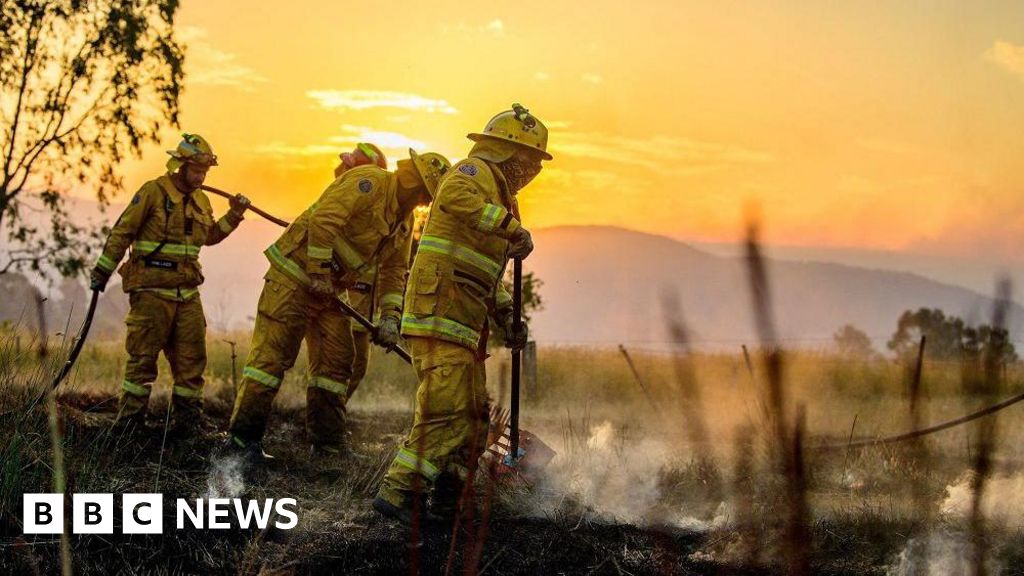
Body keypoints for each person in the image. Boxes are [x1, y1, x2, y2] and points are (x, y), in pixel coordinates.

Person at [373, 104, 551, 524]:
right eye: (529, 160)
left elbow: (487, 273)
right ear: (507, 150)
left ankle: (448, 501)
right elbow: (453, 196)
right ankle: (398, 494)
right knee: (447, 411)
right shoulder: (474, 173)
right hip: (439, 312)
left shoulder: (505, 199)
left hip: (463, 322)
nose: (532, 170)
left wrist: (508, 316)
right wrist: (510, 227)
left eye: (537, 164)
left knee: (473, 421)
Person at [226, 149, 450, 462]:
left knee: (337, 362)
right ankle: (241, 441)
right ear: (413, 180)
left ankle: (327, 447)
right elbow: (324, 220)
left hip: (331, 291)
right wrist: (318, 272)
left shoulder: (404, 221)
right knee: (272, 359)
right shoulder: (368, 182)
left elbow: (394, 271)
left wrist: (390, 318)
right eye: (425, 193)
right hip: (294, 276)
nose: (425, 201)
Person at [89, 133, 250, 430]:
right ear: (180, 166)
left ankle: (187, 426)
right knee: (142, 360)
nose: (201, 177)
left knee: (192, 363)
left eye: (204, 172)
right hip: (151, 291)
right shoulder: (153, 192)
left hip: (187, 294)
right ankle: (129, 427)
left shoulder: (201, 200)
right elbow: (123, 232)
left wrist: (234, 215)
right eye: (196, 170)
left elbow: (210, 236)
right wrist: (102, 271)